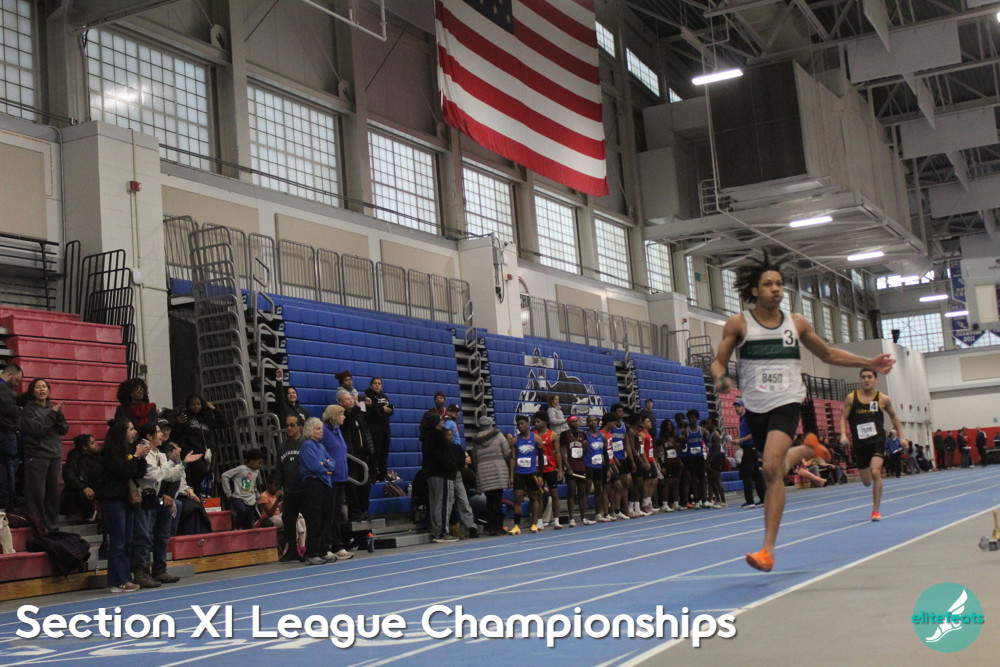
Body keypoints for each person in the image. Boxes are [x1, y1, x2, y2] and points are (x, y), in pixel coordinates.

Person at [712, 252, 896, 572]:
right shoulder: (739, 323)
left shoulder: (796, 323)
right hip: (755, 405)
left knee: (771, 467)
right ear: (754, 290)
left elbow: (828, 354)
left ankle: (767, 550)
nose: (775, 289)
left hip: (788, 400)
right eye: (768, 284)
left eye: (779, 284)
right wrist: (720, 377)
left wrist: (869, 362)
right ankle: (807, 449)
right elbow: (718, 361)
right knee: (774, 468)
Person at [839, 368, 906, 522]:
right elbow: (843, 418)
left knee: (875, 472)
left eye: (869, 377)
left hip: (877, 441)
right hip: (860, 444)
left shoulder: (883, 399)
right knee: (866, 481)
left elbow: (894, 417)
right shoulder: (851, 398)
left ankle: (875, 511)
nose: (866, 380)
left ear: (876, 379)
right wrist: (843, 434)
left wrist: (902, 437)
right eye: (863, 377)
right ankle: (870, 483)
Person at [95, 421, 150, 593]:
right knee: (118, 541)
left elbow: (138, 473)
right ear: (122, 432)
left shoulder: (128, 450)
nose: (134, 432)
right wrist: (135, 456)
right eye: (131, 429)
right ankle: (117, 580)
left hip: (126, 500)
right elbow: (124, 472)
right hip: (113, 500)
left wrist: (141, 457)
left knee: (127, 541)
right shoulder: (111, 451)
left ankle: (125, 577)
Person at [19, 378, 69, 533]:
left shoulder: (53, 409)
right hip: (37, 455)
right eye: (38, 387)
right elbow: (36, 430)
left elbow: (64, 430)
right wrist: (53, 414)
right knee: (37, 494)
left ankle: (53, 527)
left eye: (44, 387)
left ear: (48, 390)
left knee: (53, 494)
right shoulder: (28, 410)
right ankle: (38, 526)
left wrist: (59, 416)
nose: (41, 389)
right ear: (32, 391)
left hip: (54, 454)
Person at [172, 394, 227, 494]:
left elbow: (223, 422)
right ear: (188, 405)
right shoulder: (185, 417)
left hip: (203, 452)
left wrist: (214, 409)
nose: (196, 406)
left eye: (198, 404)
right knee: (201, 471)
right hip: (189, 451)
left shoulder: (206, 419)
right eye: (193, 404)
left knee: (202, 475)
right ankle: (192, 492)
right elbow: (175, 435)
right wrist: (177, 423)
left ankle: (195, 495)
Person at [320, 405, 354, 560]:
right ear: (334, 416)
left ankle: (337, 545)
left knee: (338, 514)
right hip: (330, 479)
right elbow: (322, 452)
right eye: (342, 415)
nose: (344, 417)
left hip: (341, 478)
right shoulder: (325, 432)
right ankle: (326, 545)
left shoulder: (337, 430)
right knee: (329, 514)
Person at [299, 417, 335, 565]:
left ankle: (322, 550)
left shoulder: (320, 446)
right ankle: (312, 553)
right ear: (310, 430)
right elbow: (315, 467)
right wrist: (326, 466)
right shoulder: (307, 446)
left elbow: (332, 464)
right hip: (313, 484)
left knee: (325, 518)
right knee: (315, 519)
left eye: (321, 428)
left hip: (324, 483)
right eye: (318, 429)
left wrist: (325, 465)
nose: (321, 431)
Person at [467, 415, 510, 536]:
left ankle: (491, 527)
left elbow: (475, 459)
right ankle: (499, 527)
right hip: (498, 470)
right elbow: (507, 453)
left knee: (489, 501)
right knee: (498, 499)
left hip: (483, 471)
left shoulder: (476, 440)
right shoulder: (498, 435)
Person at [421, 414, 458, 543]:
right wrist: (450, 466)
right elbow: (443, 457)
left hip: (432, 474)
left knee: (435, 503)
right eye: (441, 420)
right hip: (442, 474)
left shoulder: (428, 437)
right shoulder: (437, 437)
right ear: (436, 423)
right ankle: (442, 532)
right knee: (443, 503)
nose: (443, 422)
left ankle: (437, 530)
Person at [338, 392, 374, 522]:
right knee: (353, 486)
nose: (351, 400)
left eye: (351, 398)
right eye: (347, 399)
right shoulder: (342, 415)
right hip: (351, 455)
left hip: (362, 454)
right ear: (341, 403)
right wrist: (356, 408)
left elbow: (367, 427)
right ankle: (355, 512)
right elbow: (346, 423)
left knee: (365, 484)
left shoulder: (358, 414)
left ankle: (363, 510)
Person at [276, 415, 306, 562]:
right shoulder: (282, 447)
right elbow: (279, 468)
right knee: (288, 519)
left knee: (309, 519)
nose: (288, 428)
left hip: (304, 488)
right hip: (289, 490)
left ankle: (309, 549)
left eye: (292, 425)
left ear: (299, 427)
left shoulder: (305, 444)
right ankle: (292, 550)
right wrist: (278, 487)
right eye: (287, 425)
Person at [444, 404, 476, 537]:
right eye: (454, 411)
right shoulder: (449, 423)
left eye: (458, 412)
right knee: (450, 502)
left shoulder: (454, 424)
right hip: (450, 470)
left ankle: (471, 526)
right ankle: (446, 529)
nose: (457, 414)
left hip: (457, 465)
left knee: (463, 501)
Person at [509, 414, 544, 534]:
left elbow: (541, 459)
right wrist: (511, 476)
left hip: (532, 472)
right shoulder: (515, 440)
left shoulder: (536, 439)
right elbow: (513, 459)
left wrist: (540, 475)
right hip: (519, 473)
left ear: (528, 424)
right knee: (517, 498)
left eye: (522, 424)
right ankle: (516, 525)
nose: (520, 426)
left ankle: (534, 524)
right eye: (518, 424)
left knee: (534, 498)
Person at [60, 434, 102, 522]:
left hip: (96, 487)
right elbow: (69, 476)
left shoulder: (98, 456)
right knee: (83, 495)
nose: (96, 444)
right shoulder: (74, 458)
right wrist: (83, 487)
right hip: (78, 490)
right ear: (84, 447)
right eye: (92, 443)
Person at [220, 449, 265, 530]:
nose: (260, 465)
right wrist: (228, 493)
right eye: (259, 463)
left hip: (250, 499)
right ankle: (237, 527)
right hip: (238, 497)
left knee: (248, 522)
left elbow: (252, 483)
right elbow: (225, 476)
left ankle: (245, 532)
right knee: (241, 510)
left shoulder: (256, 471)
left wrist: (256, 494)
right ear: (251, 461)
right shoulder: (241, 469)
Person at [534, 410, 563, 529]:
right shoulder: (533, 435)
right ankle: (539, 520)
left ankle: (556, 520)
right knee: (539, 495)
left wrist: (560, 469)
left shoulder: (553, 435)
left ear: (545, 422)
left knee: (554, 495)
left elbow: (558, 453)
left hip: (550, 468)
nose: (536, 424)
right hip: (537, 469)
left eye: (538, 422)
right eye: (535, 422)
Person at [734, 401, 765, 507]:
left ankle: (750, 501)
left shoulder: (748, 419)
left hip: (750, 448)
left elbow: (753, 434)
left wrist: (740, 440)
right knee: (756, 474)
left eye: (738, 406)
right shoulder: (742, 419)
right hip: (749, 448)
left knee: (745, 473)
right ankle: (763, 498)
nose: (736, 408)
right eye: (735, 407)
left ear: (744, 407)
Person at [0, 363, 22, 512]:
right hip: (6, 433)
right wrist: (20, 409)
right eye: (17, 380)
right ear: (10, 375)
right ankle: (8, 499)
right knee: (8, 466)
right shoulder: (3, 390)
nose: (17, 385)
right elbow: (10, 409)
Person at [560, 415, 588, 527]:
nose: (575, 423)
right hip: (571, 467)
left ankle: (583, 517)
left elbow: (584, 452)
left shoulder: (583, 434)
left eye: (576, 421)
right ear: (568, 424)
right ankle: (572, 518)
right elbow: (562, 452)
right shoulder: (565, 435)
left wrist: (585, 446)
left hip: (581, 466)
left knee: (582, 492)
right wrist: (568, 467)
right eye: (573, 422)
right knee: (571, 492)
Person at [364, 377, 393, 482]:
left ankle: (383, 474)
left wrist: (389, 409)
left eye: (379, 383)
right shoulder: (367, 396)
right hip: (374, 427)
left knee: (384, 452)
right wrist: (382, 409)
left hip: (385, 426)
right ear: (371, 385)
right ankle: (373, 474)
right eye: (375, 383)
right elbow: (370, 411)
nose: (377, 385)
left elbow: (389, 409)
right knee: (375, 451)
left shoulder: (384, 397)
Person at [584, 414, 610, 522]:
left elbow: (605, 453)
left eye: (595, 420)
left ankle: (598, 514)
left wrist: (607, 468)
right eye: (591, 421)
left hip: (599, 466)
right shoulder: (585, 435)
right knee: (587, 489)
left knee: (598, 490)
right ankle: (584, 515)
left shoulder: (602, 436)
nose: (593, 422)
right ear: (587, 423)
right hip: (589, 465)